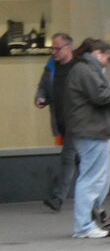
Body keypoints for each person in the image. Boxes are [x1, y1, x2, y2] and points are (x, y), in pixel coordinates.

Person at [63, 38, 110, 239]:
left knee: (99, 178)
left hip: (92, 130)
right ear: (97, 52)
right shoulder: (85, 70)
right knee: (91, 179)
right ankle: (84, 226)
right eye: (107, 58)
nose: (106, 63)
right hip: (91, 130)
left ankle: (94, 218)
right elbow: (100, 96)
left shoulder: (84, 69)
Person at [34, 32, 76, 212]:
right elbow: (43, 87)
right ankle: (93, 201)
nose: (54, 52)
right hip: (61, 121)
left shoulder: (79, 66)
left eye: (57, 48)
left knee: (68, 158)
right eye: (52, 48)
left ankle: (57, 197)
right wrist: (40, 98)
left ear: (68, 48)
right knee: (78, 160)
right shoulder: (51, 66)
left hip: (78, 121)